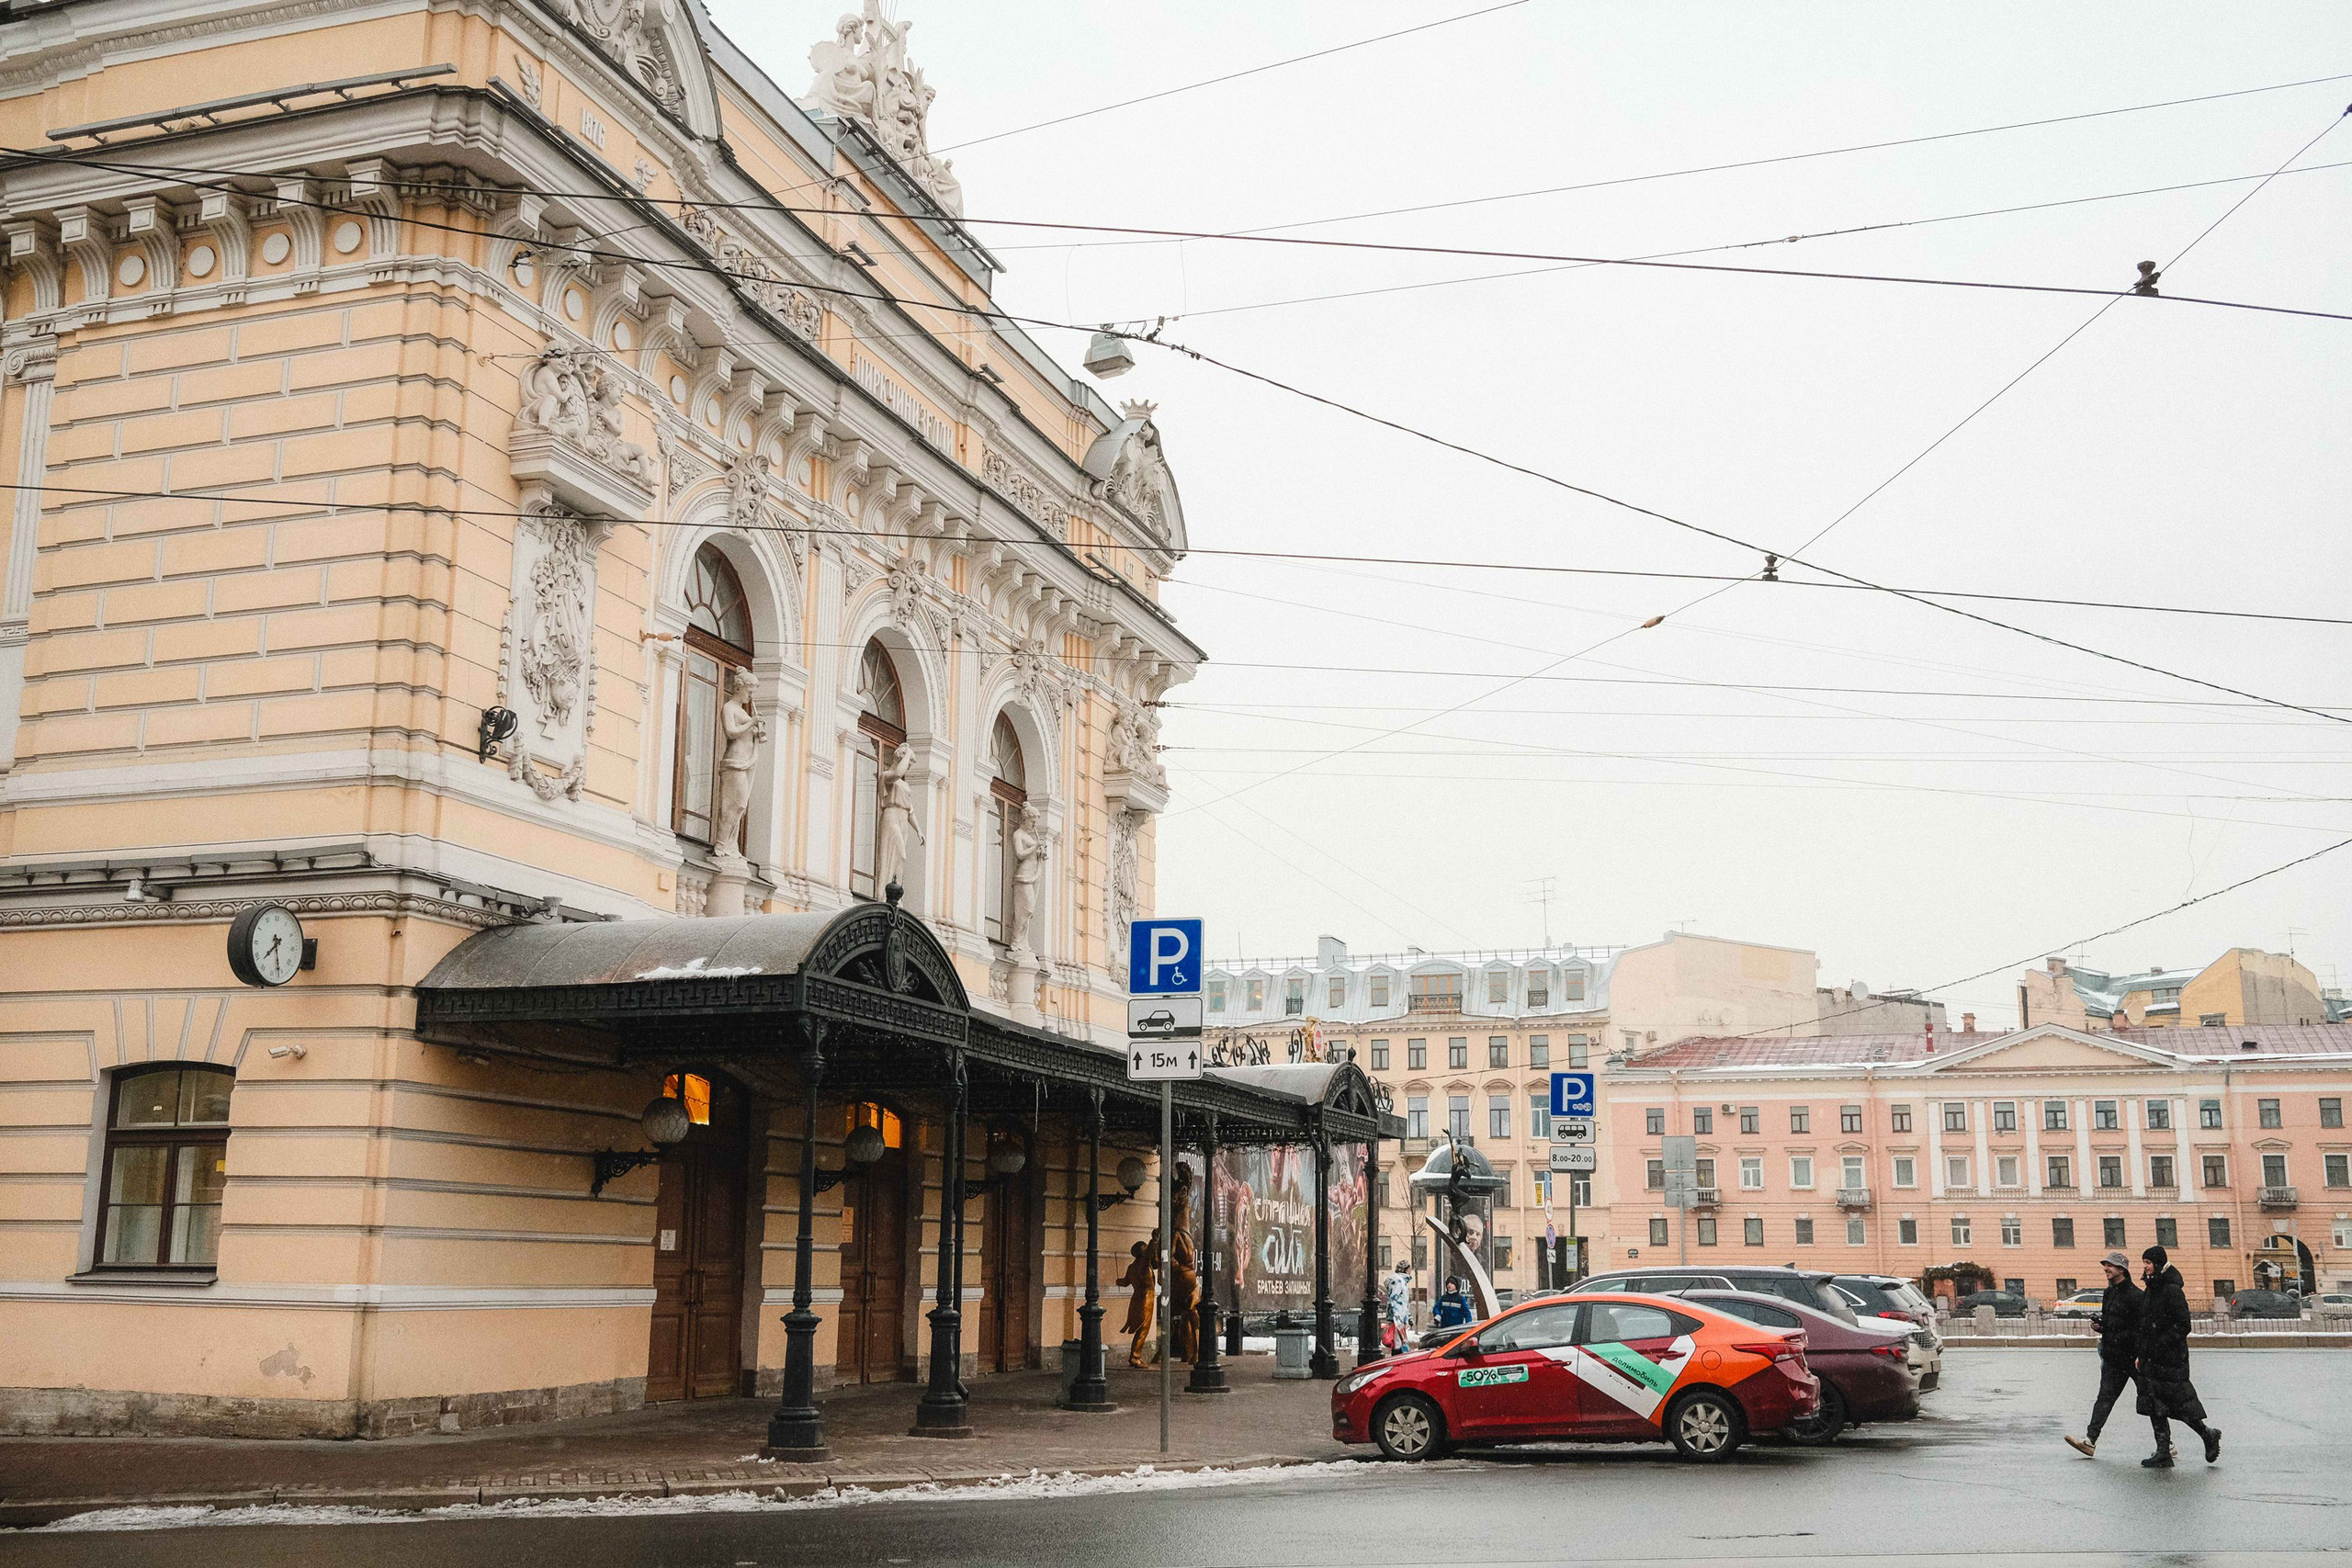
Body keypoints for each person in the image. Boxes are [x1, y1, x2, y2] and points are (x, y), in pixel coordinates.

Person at [2135, 1244, 2221, 1467]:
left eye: (2148, 1263)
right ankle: (2163, 1450)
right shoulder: (2151, 1288)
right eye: (2144, 1263)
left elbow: (2183, 1325)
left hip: (2169, 1360)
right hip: (2151, 1359)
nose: (2145, 1267)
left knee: (2178, 1404)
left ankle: (2207, 1434)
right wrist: (2142, 1354)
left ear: (2158, 1264)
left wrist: (2159, 1347)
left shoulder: (2172, 1290)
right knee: (2154, 1405)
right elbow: (2145, 1325)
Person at [2065, 1250, 2142, 1457]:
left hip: (2134, 1358)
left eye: (2110, 1265)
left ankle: (2166, 1445)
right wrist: (2102, 1326)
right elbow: (2112, 1321)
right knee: (2104, 1398)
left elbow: (2139, 1328)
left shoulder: (2136, 1295)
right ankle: (2090, 1440)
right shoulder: (2109, 1293)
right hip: (2113, 1356)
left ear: (2122, 1269)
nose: (2106, 1269)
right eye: (2105, 1265)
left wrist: (2140, 1354)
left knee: (2149, 1399)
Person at [1384, 1261, 1411, 1350]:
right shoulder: (1398, 1281)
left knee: (1400, 1342)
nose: (1410, 1271)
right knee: (1398, 1343)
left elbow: (1403, 1302)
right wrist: (1397, 1315)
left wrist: (1408, 1317)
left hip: (1400, 1316)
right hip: (1398, 1317)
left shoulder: (1401, 1281)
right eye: (1409, 1269)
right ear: (1405, 1270)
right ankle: (1398, 1360)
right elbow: (1393, 1299)